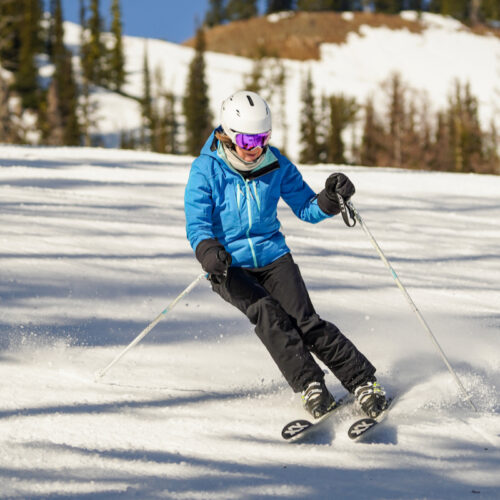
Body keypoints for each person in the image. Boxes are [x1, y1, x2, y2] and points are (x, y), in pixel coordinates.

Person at [184, 90, 387, 419]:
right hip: (227, 265)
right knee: (267, 312)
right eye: (248, 140)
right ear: (229, 134)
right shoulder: (206, 169)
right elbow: (197, 224)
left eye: (262, 138)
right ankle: (311, 385)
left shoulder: (275, 163)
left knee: (307, 322)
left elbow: (307, 208)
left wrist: (331, 199)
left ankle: (363, 382)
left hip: (273, 257)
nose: (255, 148)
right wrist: (208, 251)